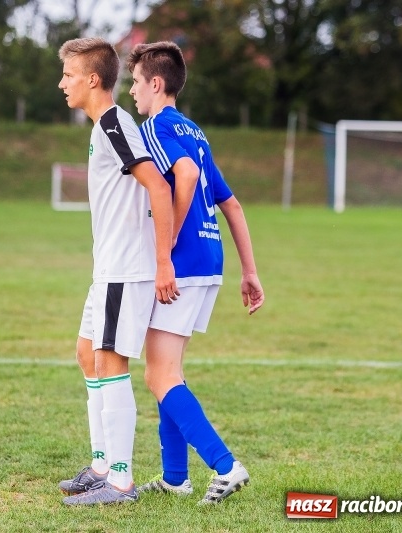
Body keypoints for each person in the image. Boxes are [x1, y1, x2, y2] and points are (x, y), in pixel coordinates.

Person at [126, 41, 265, 504]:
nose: (132, 91)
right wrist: (250, 271)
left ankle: (226, 466)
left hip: (182, 263)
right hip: (211, 258)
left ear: (156, 84)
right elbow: (232, 204)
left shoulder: (154, 127)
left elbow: (183, 176)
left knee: (159, 375)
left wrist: (166, 248)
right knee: (167, 372)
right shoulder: (195, 130)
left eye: (135, 82)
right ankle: (175, 478)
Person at [55, 37, 179, 506]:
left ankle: (121, 481)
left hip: (126, 269)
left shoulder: (113, 123)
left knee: (110, 361)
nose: (62, 83)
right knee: (87, 354)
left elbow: (159, 188)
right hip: (108, 268)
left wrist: (163, 260)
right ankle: (102, 466)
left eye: (68, 75)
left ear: (92, 79)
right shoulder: (102, 127)